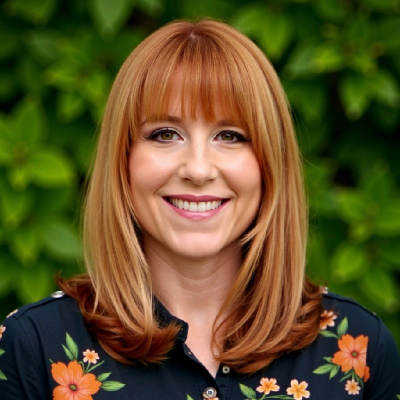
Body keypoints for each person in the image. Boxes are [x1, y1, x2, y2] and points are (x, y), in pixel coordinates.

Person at [0, 19, 399, 400]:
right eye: (165, 134)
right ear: (123, 160)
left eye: (230, 135)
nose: (198, 169)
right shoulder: (33, 347)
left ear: (270, 165)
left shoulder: (359, 349)